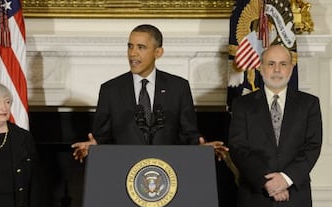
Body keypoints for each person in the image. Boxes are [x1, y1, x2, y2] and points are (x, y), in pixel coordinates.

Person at [228, 44, 322, 207]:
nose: (276, 69)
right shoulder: (242, 105)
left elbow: (312, 147)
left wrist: (286, 179)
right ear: (260, 68)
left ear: (291, 68)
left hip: (294, 202)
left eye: (282, 64)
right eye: (270, 63)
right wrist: (268, 182)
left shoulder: (309, 104)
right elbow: (239, 149)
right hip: (255, 200)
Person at [72, 24, 228, 161]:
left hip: (168, 170)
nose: (132, 53)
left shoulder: (178, 87)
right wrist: (95, 145)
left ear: (158, 52)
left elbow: (188, 133)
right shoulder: (110, 90)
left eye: (141, 47)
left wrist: (201, 148)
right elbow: (102, 136)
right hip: (124, 170)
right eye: (130, 46)